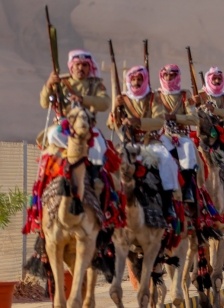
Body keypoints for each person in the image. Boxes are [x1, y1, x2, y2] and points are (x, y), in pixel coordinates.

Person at [108, 66, 180, 218]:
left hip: (151, 141)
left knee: (167, 160)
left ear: (144, 80)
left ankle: (168, 203)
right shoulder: (124, 99)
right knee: (111, 164)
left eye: (139, 79)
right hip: (129, 143)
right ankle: (111, 204)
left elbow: (160, 121)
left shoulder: (154, 97)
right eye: (133, 80)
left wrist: (138, 121)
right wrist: (115, 107)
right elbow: (112, 125)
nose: (136, 83)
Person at [39, 50, 110, 177]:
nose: (80, 68)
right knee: (53, 135)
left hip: (86, 128)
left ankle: (95, 177)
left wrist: (83, 99)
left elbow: (105, 103)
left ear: (89, 68)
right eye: (77, 64)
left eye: (84, 65)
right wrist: (49, 84)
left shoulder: (96, 84)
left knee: (100, 145)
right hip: (64, 127)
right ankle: (70, 157)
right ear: (71, 66)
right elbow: (45, 103)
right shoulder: (60, 83)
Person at [156, 64, 199, 204]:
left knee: (188, 147)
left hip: (180, 135)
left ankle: (187, 188)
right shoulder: (155, 95)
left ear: (177, 76)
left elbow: (194, 119)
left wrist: (175, 118)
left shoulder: (185, 96)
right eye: (166, 75)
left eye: (172, 75)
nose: (168, 78)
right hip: (161, 134)